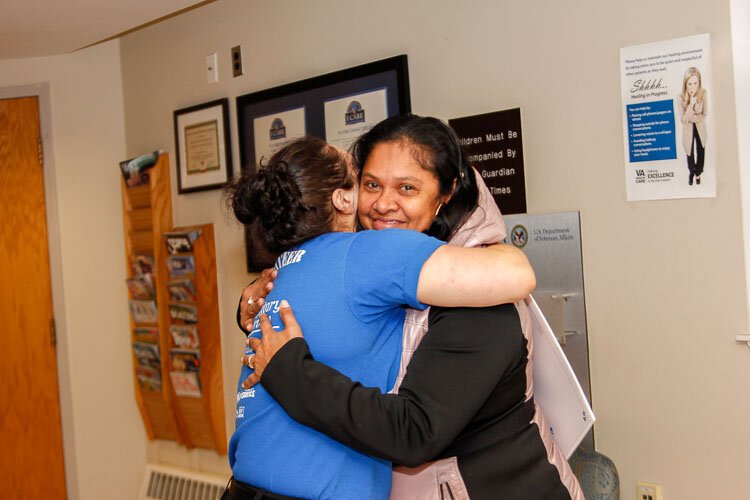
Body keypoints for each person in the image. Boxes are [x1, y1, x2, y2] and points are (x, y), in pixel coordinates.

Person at [239, 115, 584, 499]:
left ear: (447, 192)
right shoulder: (371, 269)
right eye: (371, 185)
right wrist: (271, 298)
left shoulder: (480, 298)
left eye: (407, 187)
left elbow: (414, 431)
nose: (385, 204)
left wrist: (289, 371)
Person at [676, 66, 708, 186]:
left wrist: (692, 118)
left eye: (695, 83)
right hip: (688, 130)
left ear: (699, 82)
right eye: (689, 83)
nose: (692, 87)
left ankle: (698, 173)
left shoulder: (704, 93)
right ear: (685, 84)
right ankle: (691, 172)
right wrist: (691, 104)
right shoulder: (679, 98)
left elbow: (704, 114)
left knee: (701, 151)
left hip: (700, 128)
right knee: (689, 153)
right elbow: (684, 120)